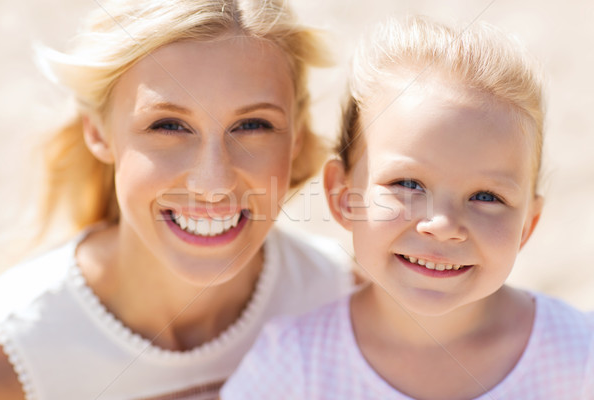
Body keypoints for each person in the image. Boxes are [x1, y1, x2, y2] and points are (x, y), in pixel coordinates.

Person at [221, 16, 594, 399]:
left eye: (487, 196)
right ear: (343, 196)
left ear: (527, 226)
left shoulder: (579, 358)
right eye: (408, 184)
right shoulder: (291, 366)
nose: (444, 224)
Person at [0, 0, 353, 398]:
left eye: (253, 125)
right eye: (168, 125)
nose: (212, 182)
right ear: (98, 133)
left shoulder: (343, 297)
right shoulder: (13, 355)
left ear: (296, 138)